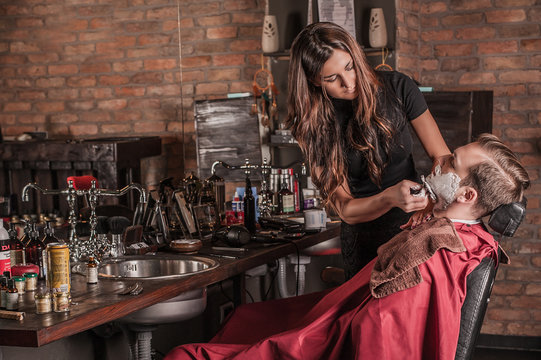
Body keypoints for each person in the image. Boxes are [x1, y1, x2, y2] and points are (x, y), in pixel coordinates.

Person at [165, 134, 529, 359]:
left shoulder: (435, 250)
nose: (441, 159)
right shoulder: (463, 236)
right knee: (246, 318)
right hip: (334, 320)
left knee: (188, 354)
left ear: (466, 194)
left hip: (330, 339)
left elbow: (383, 334)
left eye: (452, 162)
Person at [284, 22, 451, 279]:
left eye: (349, 67)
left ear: (356, 56)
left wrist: (434, 199)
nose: (349, 82)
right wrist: (388, 198)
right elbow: (345, 209)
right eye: (332, 78)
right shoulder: (313, 125)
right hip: (364, 240)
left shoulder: (399, 88)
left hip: (416, 228)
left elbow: (442, 158)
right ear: (313, 80)